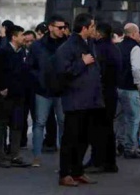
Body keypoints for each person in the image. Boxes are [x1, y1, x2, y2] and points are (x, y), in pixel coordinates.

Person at [56, 13, 103, 187]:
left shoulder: (90, 44)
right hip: (75, 101)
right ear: (84, 28)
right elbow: (63, 72)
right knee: (71, 139)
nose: (94, 30)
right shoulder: (68, 47)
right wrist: (82, 63)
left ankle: (77, 171)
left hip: (90, 100)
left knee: (84, 138)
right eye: (92, 27)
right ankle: (65, 173)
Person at [28, 15, 67, 167]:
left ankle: (64, 158)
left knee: (63, 122)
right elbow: (31, 66)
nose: (62, 30)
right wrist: (40, 79)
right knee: (39, 123)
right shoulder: (38, 46)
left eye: (64, 27)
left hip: (62, 90)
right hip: (43, 90)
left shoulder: (67, 44)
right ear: (50, 27)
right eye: (60, 27)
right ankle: (37, 157)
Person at [0, 25, 31, 168]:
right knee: (2, 126)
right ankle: (1, 156)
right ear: (14, 37)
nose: (24, 38)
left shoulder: (22, 52)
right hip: (4, 96)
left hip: (19, 95)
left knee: (17, 126)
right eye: (21, 35)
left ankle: (15, 155)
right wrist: (0, 89)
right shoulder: (2, 52)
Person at [86, 22, 122, 173]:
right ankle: (108, 162)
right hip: (111, 92)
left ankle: (98, 161)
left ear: (99, 34)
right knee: (107, 129)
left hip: (100, 94)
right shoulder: (114, 48)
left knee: (98, 129)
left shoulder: (98, 49)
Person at [116, 23, 140, 159]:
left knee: (120, 118)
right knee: (134, 118)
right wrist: (139, 84)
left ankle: (119, 143)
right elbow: (136, 69)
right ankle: (130, 147)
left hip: (118, 87)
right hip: (131, 88)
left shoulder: (119, 46)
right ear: (133, 33)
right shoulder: (135, 48)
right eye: (138, 32)